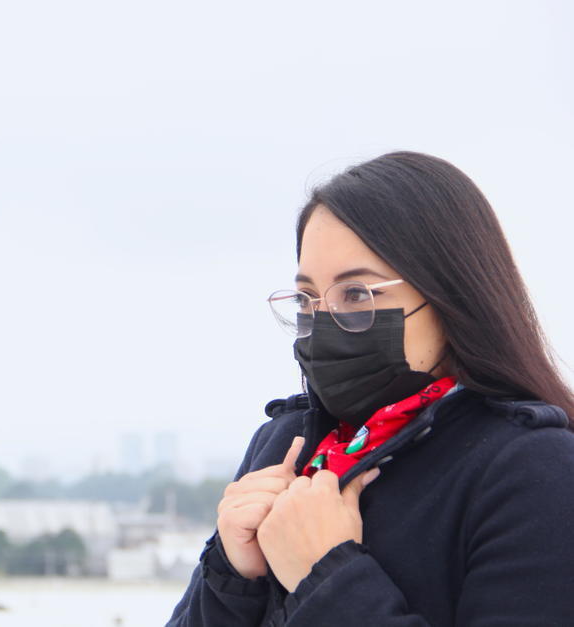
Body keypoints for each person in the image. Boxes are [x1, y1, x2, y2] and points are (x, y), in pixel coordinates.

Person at [166, 151, 574, 626]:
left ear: (449, 296)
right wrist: (231, 575)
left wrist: (327, 577)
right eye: (307, 299)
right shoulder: (284, 445)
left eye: (357, 294)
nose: (324, 322)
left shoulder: (534, 469)